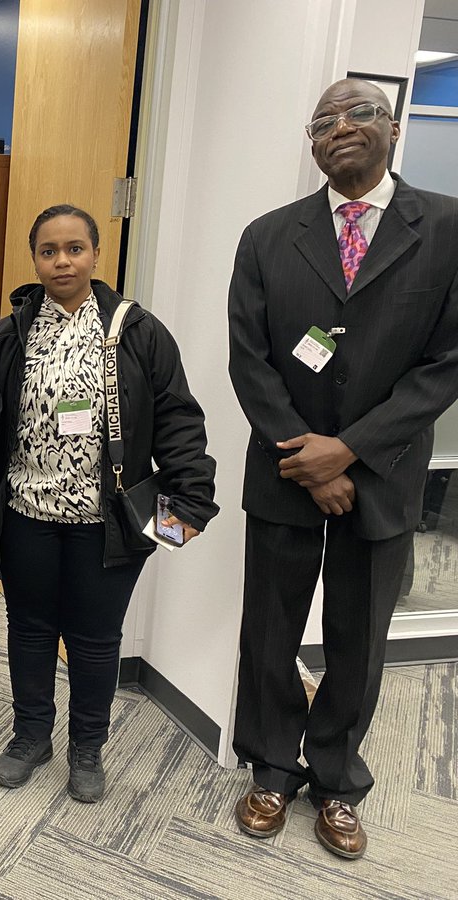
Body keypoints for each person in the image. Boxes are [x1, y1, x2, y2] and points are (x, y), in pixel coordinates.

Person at [228, 78, 458, 860]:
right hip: (286, 471)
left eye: (358, 112)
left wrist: (351, 450)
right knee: (269, 629)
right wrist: (308, 457)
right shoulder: (267, 236)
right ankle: (270, 769)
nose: (340, 128)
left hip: (383, 474)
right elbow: (250, 360)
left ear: (392, 127)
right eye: (323, 121)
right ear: (311, 143)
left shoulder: (449, 227)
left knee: (359, 637)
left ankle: (336, 781)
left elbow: (445, 364)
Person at [0, 205, 216, 802]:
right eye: (49, 250)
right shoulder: (8, 335)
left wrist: (190, 499)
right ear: (34, 259)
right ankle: (31, 734)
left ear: (96, 255)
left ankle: (88, 746)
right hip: (28, 514)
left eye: (74, 249)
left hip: (107, 523)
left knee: (94, 638)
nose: (62, 261)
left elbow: (178, 418)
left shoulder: (139, 331)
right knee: (28, 629)